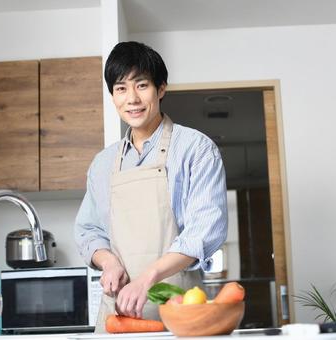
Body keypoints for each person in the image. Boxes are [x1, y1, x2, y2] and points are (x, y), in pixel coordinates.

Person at [74, 41, 228, 332]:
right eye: (121, 88)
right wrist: (108, 262)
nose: (132, 98)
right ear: (112, 96)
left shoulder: (196, 149)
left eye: (141, 85)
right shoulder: (102, 164)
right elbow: (88, 230)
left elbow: (205, 229)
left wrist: (147, 279)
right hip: (118, 316)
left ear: (161, 89)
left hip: (180, 311)